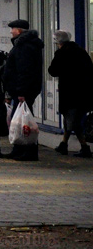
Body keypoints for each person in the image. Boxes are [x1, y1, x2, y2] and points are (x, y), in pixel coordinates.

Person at [47, 29, 93, 158]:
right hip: (83, 91)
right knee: (72, 118)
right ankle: (64, 143)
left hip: (69, 91)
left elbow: (53, 71)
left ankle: (84, 147)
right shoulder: (81, 52)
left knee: (72, 120)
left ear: (57, 41)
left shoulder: (62, 54)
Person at [2, 19, 44, 161]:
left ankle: (28, 150)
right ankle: (19, 149)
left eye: (13, 29)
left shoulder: (24, 46)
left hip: (24, 91)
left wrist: (21, 91)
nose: (11, 32)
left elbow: (24, 70)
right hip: (24, 89)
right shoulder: (28, 44)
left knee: (24, 121)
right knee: (19, 120)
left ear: (19, 31)